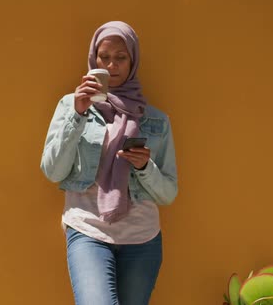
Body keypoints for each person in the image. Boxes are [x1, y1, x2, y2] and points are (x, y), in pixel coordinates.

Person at [40, 21, 178, 305]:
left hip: (142, 238)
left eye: (121, 57)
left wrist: (144, 167)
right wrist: (78, 114)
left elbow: (168, 193)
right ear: (94, 59)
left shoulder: (155, 120)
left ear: (133, 61)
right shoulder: (71, 105)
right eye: (105, 57)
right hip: (88, 228)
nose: (112, 65)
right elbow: (52, 171)